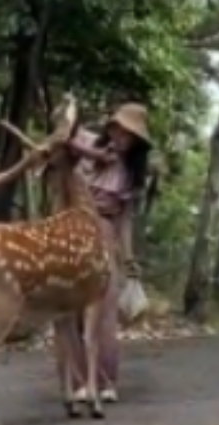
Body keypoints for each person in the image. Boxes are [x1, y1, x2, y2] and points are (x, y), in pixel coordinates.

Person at [65, 103, 152, 403]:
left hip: (104, 230)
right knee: (73, 305)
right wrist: (94, 154)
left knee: (105, 305)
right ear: (110, 127)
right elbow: (63, 139)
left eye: (128, 135)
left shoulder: (131, 174)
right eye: (117, 129)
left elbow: (125, 220)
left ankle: (106, 381)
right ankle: (78, 381)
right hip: (74, 225)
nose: (120, 137)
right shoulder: (88, 142)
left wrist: (129, 259)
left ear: (137, 143)